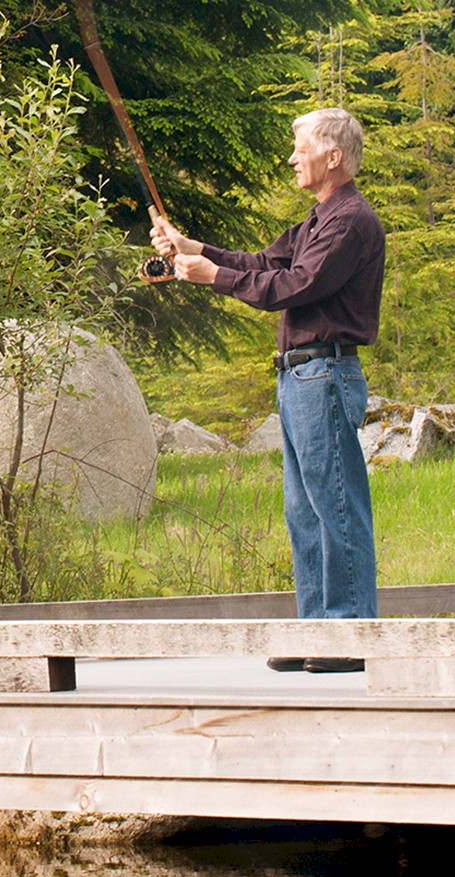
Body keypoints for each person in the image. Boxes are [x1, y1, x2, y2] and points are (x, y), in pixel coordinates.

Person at [147, 107, 384, 673]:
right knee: (304, 511)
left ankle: (349, 634)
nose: (292, 157)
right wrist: (192, 248)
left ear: (333, 156)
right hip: (300, 376)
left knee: (337, 508)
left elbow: (296, 285)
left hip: (324, 374)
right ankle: (317, 630)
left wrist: (214, 278)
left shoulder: (350, 220)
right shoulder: (319, 219)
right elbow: (262, 262)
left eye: (301, 147)